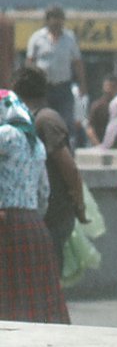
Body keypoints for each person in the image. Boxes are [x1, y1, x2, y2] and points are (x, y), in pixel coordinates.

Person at [0, 90, 69, 324]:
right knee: (32, 294)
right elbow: (44, 193)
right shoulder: (35, 144)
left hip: (6, 221)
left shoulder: (6, 136)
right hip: (33, 224)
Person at [13, 67, 87, 273]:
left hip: (46, 213)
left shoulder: (39, 120)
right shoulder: (45, 118)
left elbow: (67, 166)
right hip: (45, 214)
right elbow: (70, 168)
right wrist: (80, 207)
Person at [25, 4, 87, 136]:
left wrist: (82, 83)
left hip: (63, 87)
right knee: (41, 120)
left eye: (59, 19)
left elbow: (77, 62)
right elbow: (30, 62)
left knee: (65, 122)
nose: (57, 23)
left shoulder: (70, 39)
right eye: (54, 19)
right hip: (43, 88)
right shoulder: (37, 38)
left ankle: (68, 153)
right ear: (48, 20)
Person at [85, 75, 117, 146]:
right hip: (100, 145)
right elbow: (90, 128)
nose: (108, 89)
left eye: (112, 87)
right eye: (106, 86)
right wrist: (98, 145)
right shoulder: (97, 106)